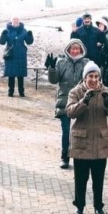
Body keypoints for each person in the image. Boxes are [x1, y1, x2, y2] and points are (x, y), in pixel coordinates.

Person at [65, 62, 108, 214]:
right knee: (81, 179)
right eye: (90, 76)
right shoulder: (76, 91)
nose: (94, 80)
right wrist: (84, 102)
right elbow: (70, 112)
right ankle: (80, 206)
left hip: (99, 142)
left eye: (96, 76)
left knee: (98, 179)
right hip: (82, 142)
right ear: (85, 77)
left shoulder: (106, 91)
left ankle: (98, 206)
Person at [46, 39, 88, 169]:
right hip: (64, 101)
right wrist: (52, 68)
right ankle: (65, 156)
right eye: (72, 49)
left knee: (82, 131)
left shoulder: (86, 63)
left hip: (81, 101)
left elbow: (90, 80)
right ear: (68, 50)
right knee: (66, 131)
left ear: (81, 50)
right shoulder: (61, 62)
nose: (75, 51)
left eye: (77, 49)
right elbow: (54, 80)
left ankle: (81, 156)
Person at [0, 17, 34, 97]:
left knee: (20, 75)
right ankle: (10, 91)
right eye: (14, 19)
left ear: (19, 21)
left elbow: (29, 42)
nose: (15, 21)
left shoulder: (23, 30)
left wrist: (30, 35)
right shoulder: (7, 30)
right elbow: (2, 42)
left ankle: (21, 91)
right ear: (11, 21)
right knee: (11, 74)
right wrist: (3, 35)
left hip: (21, 54)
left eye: (17, 19)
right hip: (10, 54)